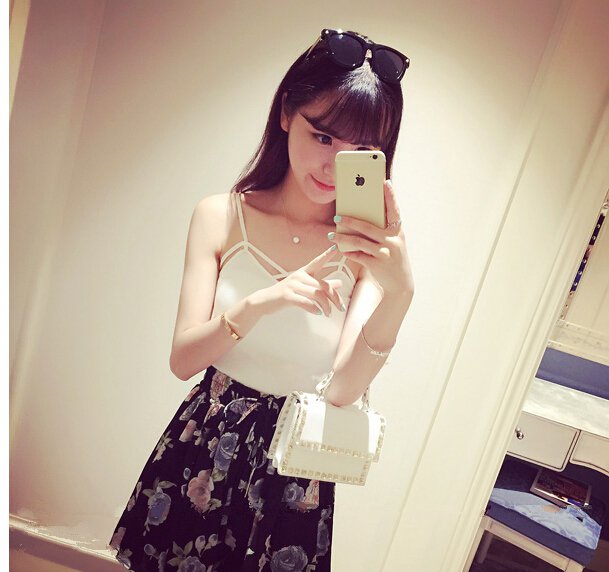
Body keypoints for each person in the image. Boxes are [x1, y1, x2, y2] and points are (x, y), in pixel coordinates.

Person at [108, 28, 414, 572]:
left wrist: (401, 293)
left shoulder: (365, 252)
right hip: (206, 444)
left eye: (361, 152)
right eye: (323, 137)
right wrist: (259, 304)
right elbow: (183, 361)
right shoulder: (221, 216)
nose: (334, 166)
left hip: (295, 467)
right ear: (287, 113)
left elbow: (342, 391)